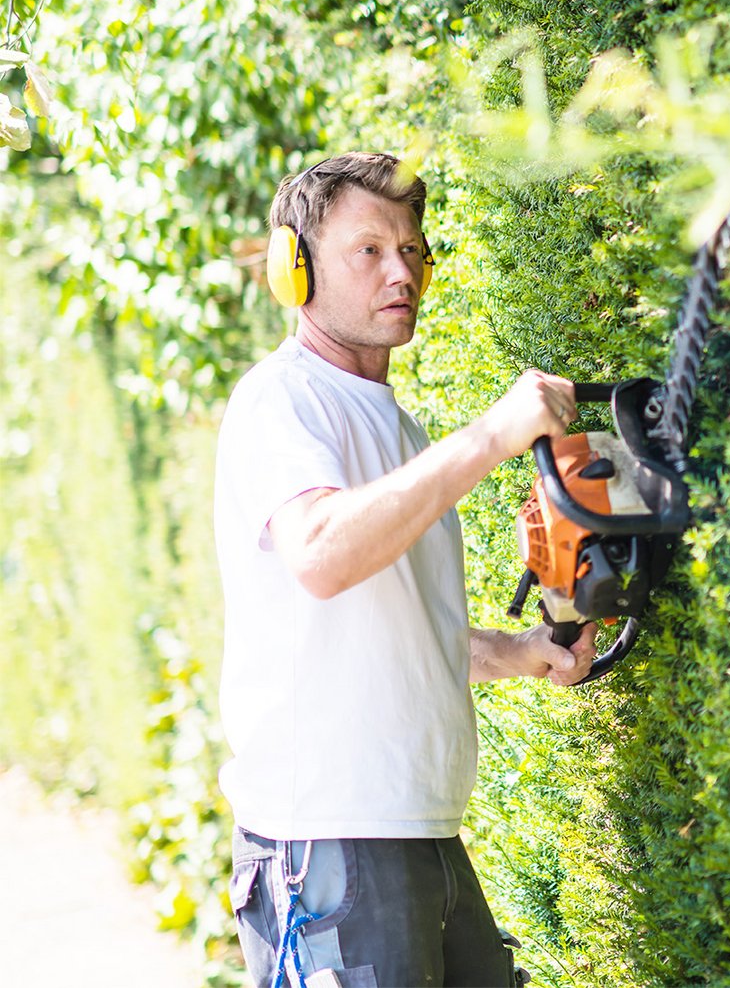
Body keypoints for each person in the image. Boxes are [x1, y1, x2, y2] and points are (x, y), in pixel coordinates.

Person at [213, 151, 596, 987]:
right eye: (370, 250)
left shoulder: (404, 431)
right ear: (295, 268)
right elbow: (320, 553)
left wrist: (522, 652)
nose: (403, 270)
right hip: (325, 844)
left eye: (414, 249)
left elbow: (404, 628)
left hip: (422, 830)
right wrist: (492, 436)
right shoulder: (278, 401)